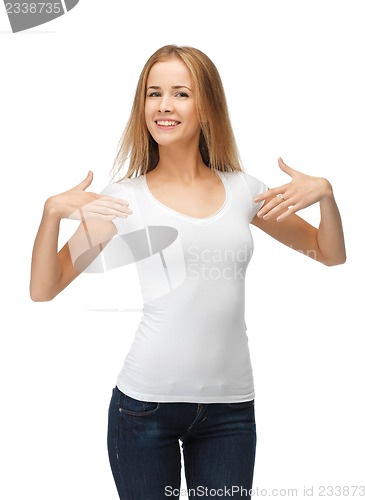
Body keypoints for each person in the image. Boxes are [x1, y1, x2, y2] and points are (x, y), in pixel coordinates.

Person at [30, 45, 346, 499]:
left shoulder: (245, 191)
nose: (163, 105)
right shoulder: (124, 198)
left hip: (231, 413)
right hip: (144, 409)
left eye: (181, 93)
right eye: (153, 93)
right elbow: (45, 288)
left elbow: (327, 252)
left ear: (208, 106)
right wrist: (50, 215)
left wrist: (327, 197)